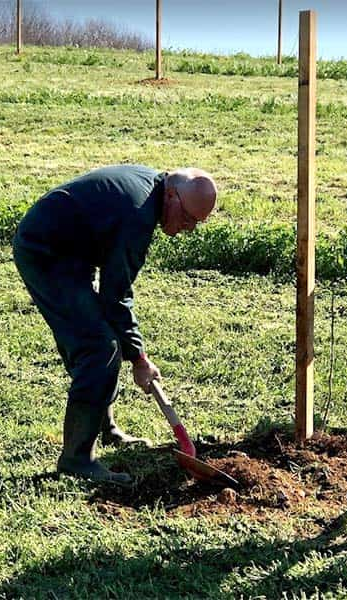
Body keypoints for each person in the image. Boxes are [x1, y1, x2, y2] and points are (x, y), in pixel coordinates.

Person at [13, 165, 217, 485]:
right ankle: (77, 459)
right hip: (46, 254)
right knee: (99, 347)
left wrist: (134, 351)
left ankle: (103, 429)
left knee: (103, 340)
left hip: (70, 251)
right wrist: (139, 358)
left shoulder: (152, 191)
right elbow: (116, 295)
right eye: (188, 218)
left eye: (197, 223)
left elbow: (113, 293)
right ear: (172, 195)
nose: (188, 228)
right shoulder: (137, 215)